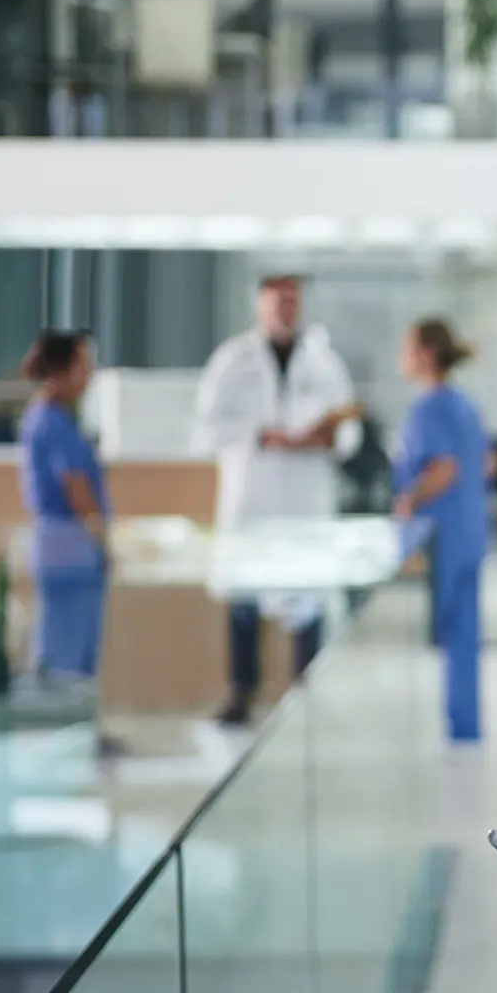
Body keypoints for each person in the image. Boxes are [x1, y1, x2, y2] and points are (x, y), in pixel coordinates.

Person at [192, 274, 362, 726]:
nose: (286, 310)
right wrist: (260, 436)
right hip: (254, 497)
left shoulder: (324, 363)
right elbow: (207, 429)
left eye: (292, 302)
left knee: (308, 601)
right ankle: (241, 691)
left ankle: (308, 690)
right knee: (245, 601)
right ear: (260, 306)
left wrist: (326, 437)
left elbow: (350, 430)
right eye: (277, 302)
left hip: (305, 499)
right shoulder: (232, 361)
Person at [391, 318, 491, 743]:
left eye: (408, 348)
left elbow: (446, 467)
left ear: (427, 355)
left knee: (450, 633)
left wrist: (408, 499)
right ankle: (465, 727)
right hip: (469, 528)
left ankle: (458, 726)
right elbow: (489, 463)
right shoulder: (463, 404)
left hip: (445, 532)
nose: (402, 357)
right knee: (465, 637)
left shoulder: (430, 407)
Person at [17, 330, 110, 682]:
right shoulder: (51, 422)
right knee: (63, 655)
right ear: (65, 369)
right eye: (85, 364)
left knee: (80, 650)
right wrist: (105, 540)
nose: (90, 374)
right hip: (67, 548)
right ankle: (58, 732)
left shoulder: (58, 418)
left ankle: (79, 730)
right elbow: (77, 488)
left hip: (71, 550)